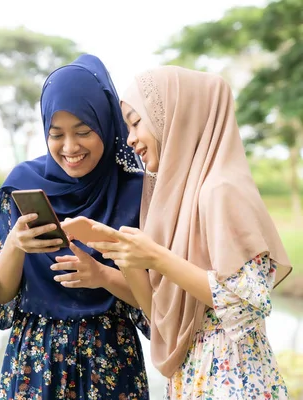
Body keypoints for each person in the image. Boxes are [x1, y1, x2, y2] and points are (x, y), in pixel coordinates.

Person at [84, 65, 292, 399]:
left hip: (233, 382)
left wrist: (156, 257)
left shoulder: (221, 189)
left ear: (177, 117)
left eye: (137, 122)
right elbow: (160, 320)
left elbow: (249, 303)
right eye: (127, 126)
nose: (130, 138)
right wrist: (124, 259)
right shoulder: (176, 203)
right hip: (190, 380)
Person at [0, 54, 150, 399]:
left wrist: (101, 275)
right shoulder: (21, 184)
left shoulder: (138, 191)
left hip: (111, 359)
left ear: (106, 123)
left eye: (84, 132)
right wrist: (15, 244)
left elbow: (156, 305)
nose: (70, 148)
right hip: (34, 359)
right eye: (56, 134)